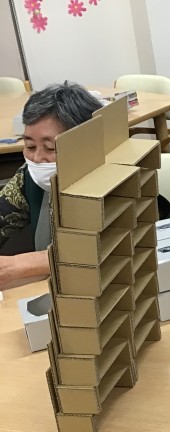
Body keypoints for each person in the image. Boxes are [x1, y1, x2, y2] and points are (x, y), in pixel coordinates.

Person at [0, 82, 102, 289]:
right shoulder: (29, 178)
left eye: (50, 148)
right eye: (30, 146)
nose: (38, 158)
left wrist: (23, 264)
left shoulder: (116, 180)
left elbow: (113, 247)